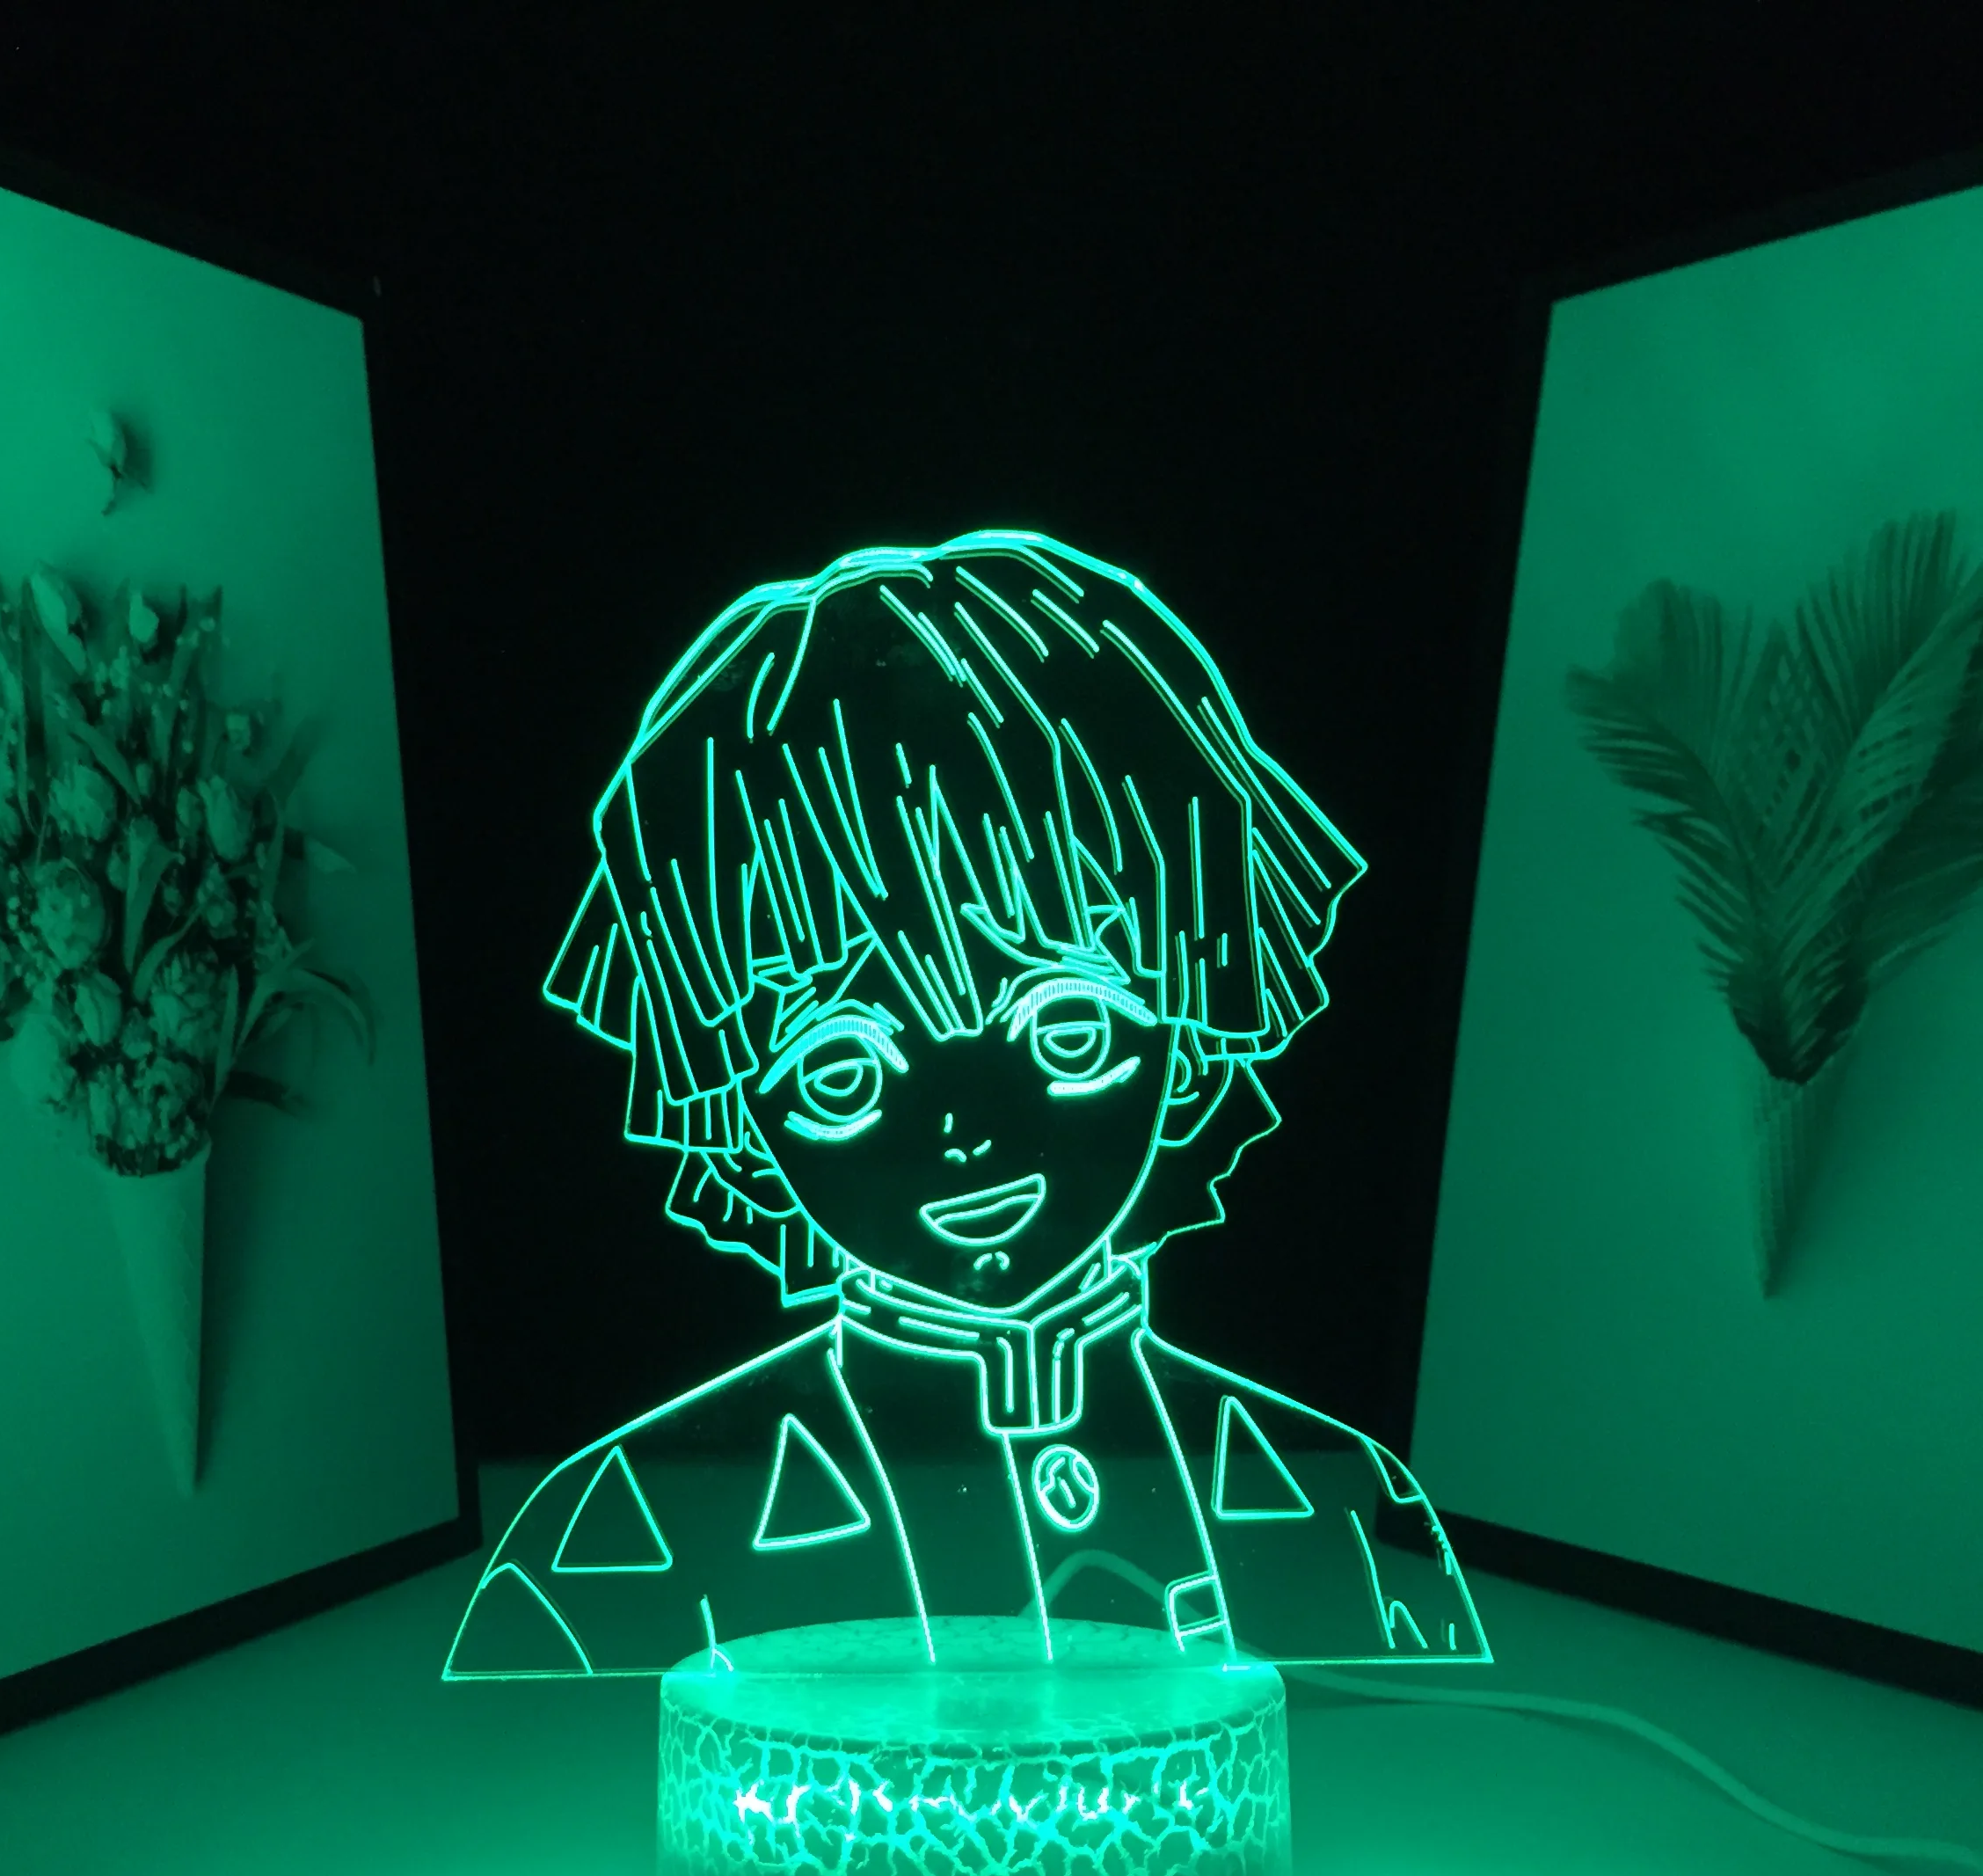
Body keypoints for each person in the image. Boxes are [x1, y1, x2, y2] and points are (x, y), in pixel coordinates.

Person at [446, 532, 1486, 1677]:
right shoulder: (616, 1531)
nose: (970, 1134)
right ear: (736, 1117)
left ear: (1195, 1022)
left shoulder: (1337, 1512)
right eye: (842, 1074)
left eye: (1068, 1033)